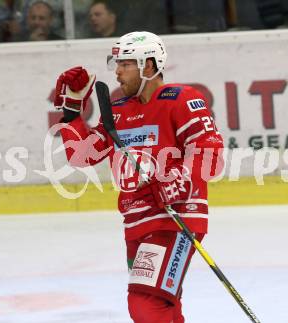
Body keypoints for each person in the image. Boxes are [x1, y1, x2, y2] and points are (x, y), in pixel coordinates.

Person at [53, 31, 224, 322]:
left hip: (174, 219)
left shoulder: (181, 100)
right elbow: (82, 155)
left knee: (146, 304)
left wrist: (177, 180)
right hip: (136, 222)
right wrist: (72, 109)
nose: (117, 72)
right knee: (166, 306)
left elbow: (211, 154)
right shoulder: (117, 111)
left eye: (125, 64)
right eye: (116, 64)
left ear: (147, 65)